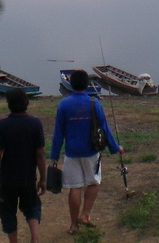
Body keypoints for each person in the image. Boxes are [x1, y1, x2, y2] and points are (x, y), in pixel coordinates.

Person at [50, 69, 124, 235]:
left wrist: (54, 156)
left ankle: (73, 225)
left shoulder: (63, 104)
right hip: (91, 151)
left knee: (74, 188)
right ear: (87, 85)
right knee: (94, 183)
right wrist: (115, 147)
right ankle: (85, 214)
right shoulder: (94, 103)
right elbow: (104, 128)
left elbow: (58, 134)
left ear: (71, 84)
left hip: (71, 153)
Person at [0, 87, 46, 243]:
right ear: (26, 102)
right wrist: (43, 178)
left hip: (8, 178)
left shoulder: (3, 125)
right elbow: (39, 154)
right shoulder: (35, 123)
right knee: (32, 206)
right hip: (28, 177)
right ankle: (35, 238)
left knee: (7, 210)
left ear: (9, 104)